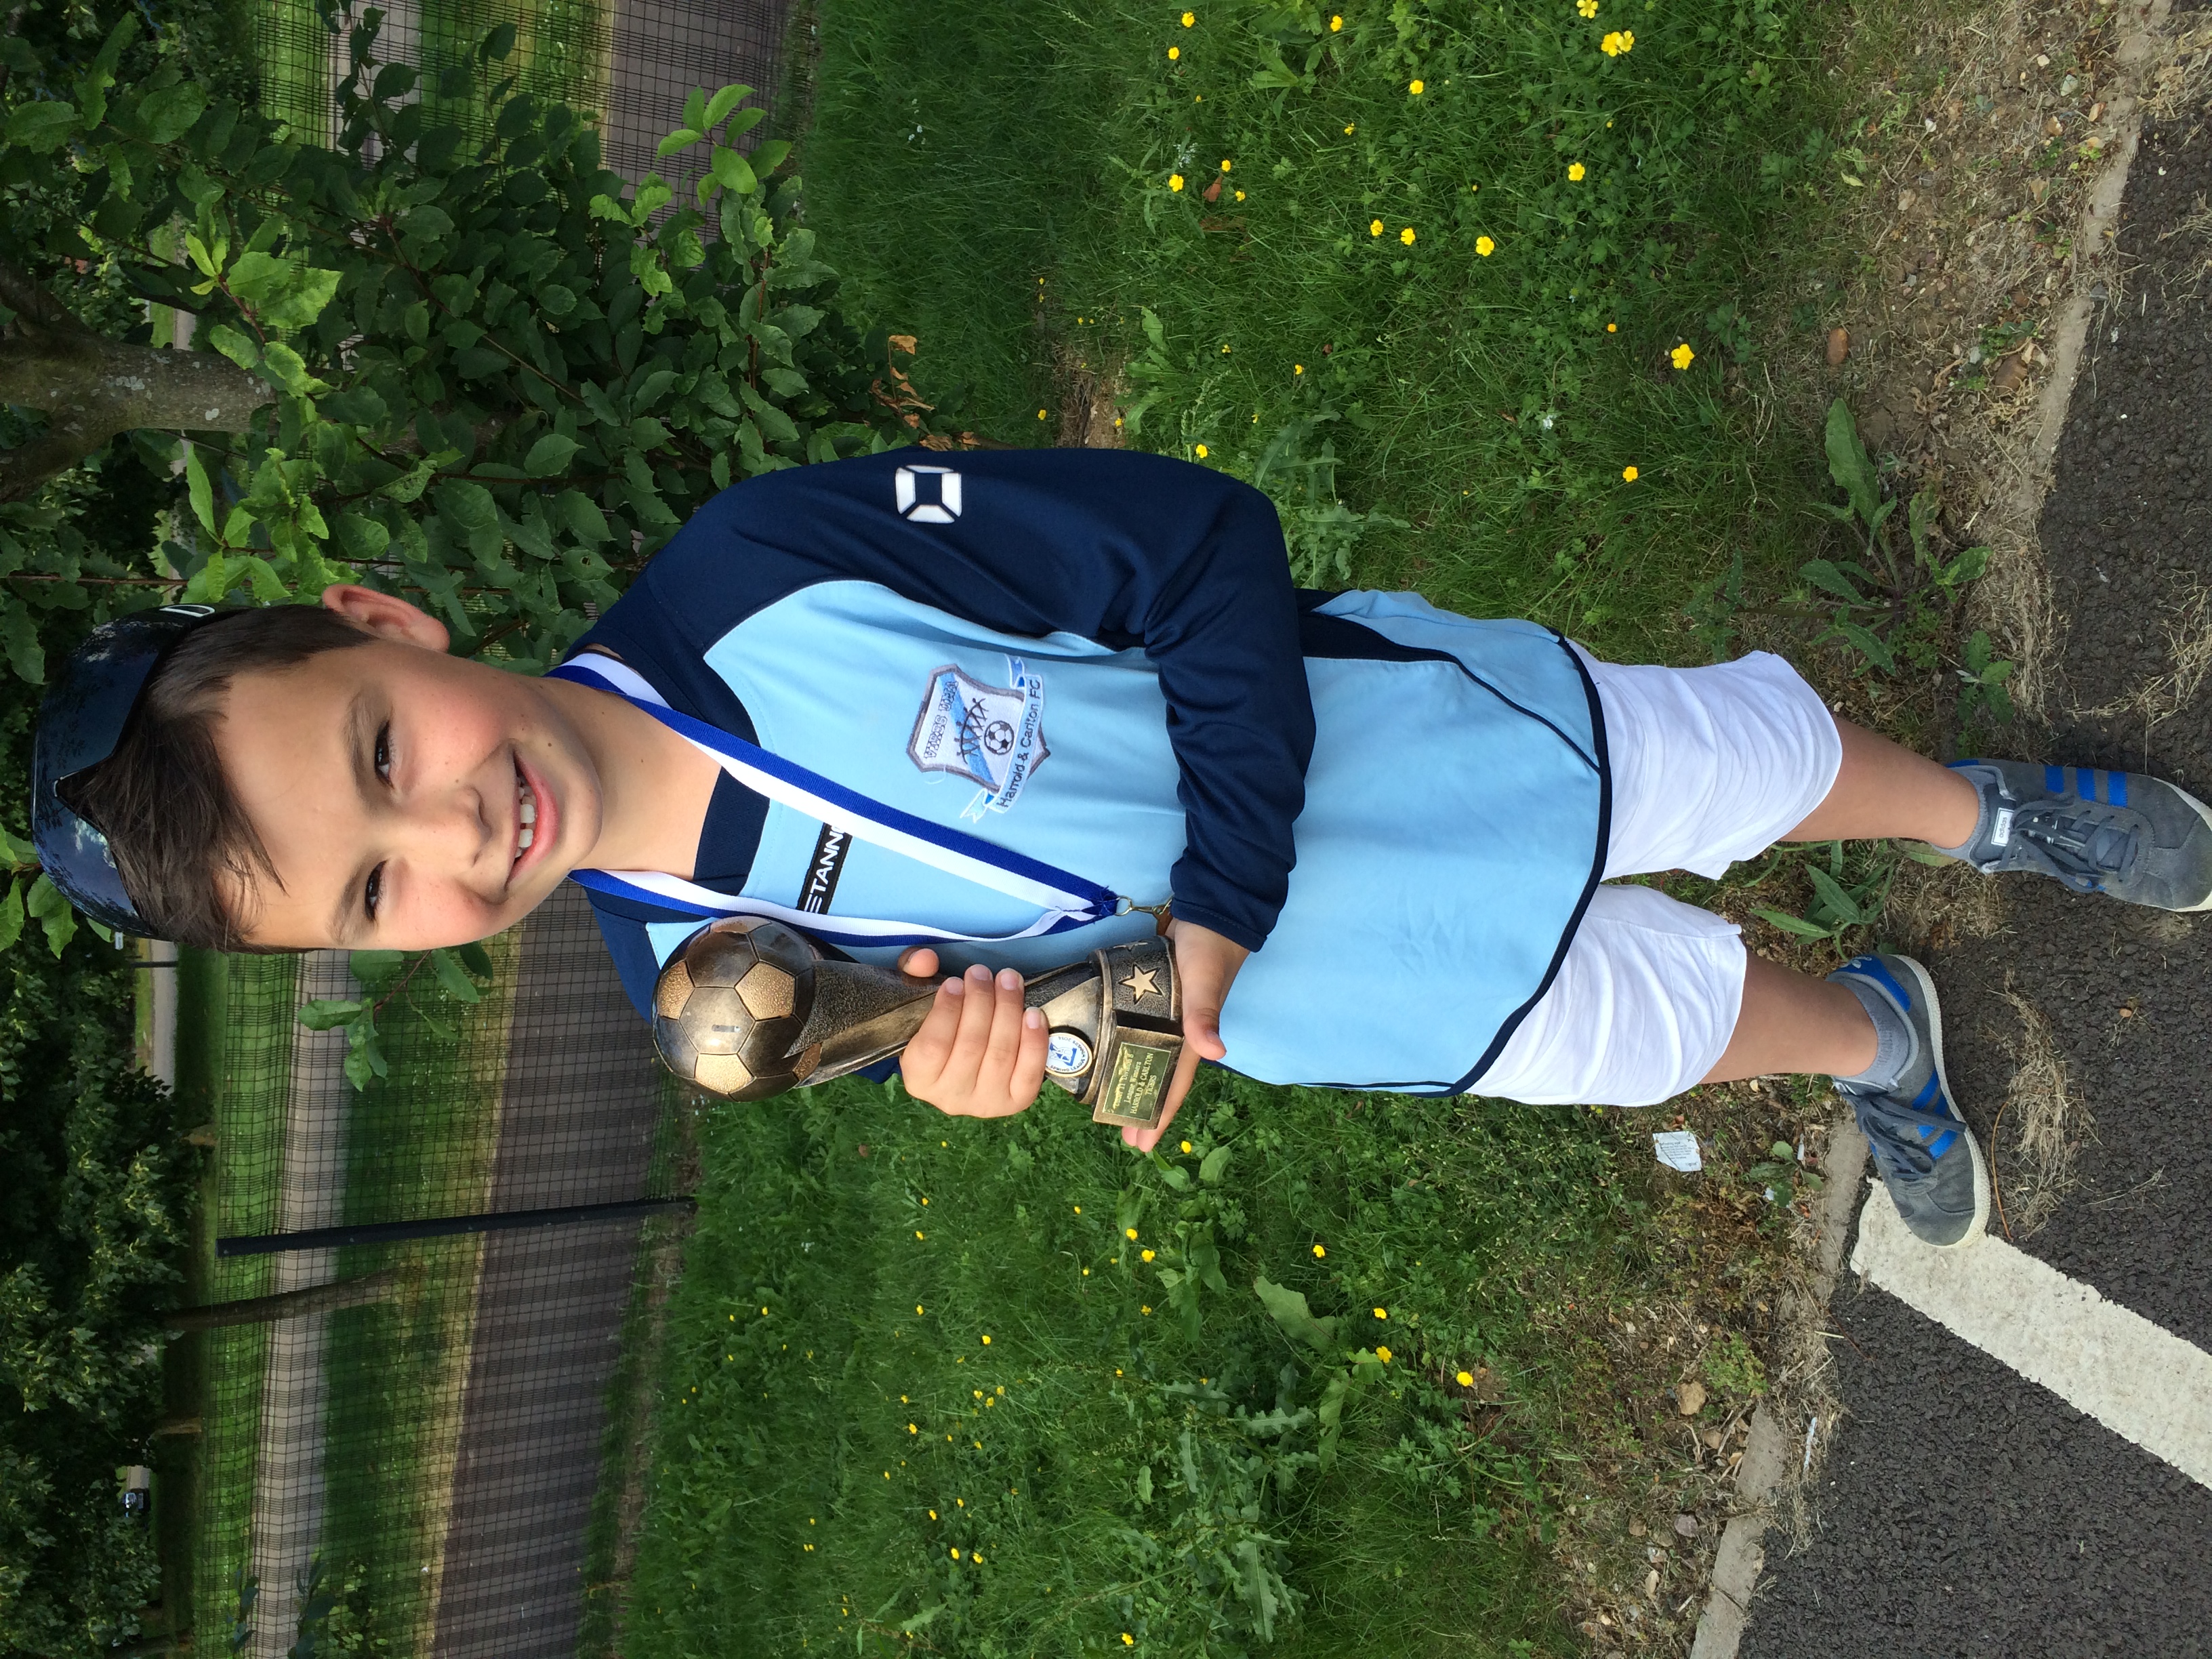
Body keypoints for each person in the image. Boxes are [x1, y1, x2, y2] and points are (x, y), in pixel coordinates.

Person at [34, 449, 2212, 1249]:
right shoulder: (695, 999)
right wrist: (1025, 1065)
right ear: (373, 956)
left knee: (1731, 761)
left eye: (386, 747)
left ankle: (1989, 810)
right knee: (1639, 1032)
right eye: (376, 887)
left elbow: (1198, 549)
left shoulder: (762, 575)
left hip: (1389, 754)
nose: (450, 830)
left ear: (388, 630)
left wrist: (1219, 913)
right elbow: (1064, 1028)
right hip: (1340, 994)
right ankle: (1873, 1043)